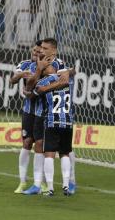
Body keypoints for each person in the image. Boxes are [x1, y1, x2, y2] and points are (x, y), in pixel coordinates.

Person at [23, 38, 76, 195]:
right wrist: (38, 71)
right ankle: (38, 185)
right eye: (41, 47)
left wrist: (45, 86)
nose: (41, 50)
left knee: (60, 151)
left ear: (53, 51)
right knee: (39, 146)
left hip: (52, 114)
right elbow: (28, 86)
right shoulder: (34, 64)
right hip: (40, 113)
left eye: (45, 48)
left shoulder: (59, 64)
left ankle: (70, 182)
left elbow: (66, 78)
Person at [33, 66, 74, 196]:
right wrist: (66, 75)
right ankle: (66, 186)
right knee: (65, 154)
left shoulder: (42, 82)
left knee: (49, 154)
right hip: (67, 121)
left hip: (52, 121)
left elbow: (36, 92)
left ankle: (50, 188)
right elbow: (74, 71)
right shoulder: (68, 78)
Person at [10, 41, 43, 194]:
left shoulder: (47, 67)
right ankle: (22, 181)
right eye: (34, 51)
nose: (35, 53)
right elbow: (12, 80)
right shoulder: (24, 65)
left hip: (42, 111)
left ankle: (39, 182)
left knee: (40, 146)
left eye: (39, 51)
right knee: (27, 142)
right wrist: (22, 74)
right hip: (28, 110)